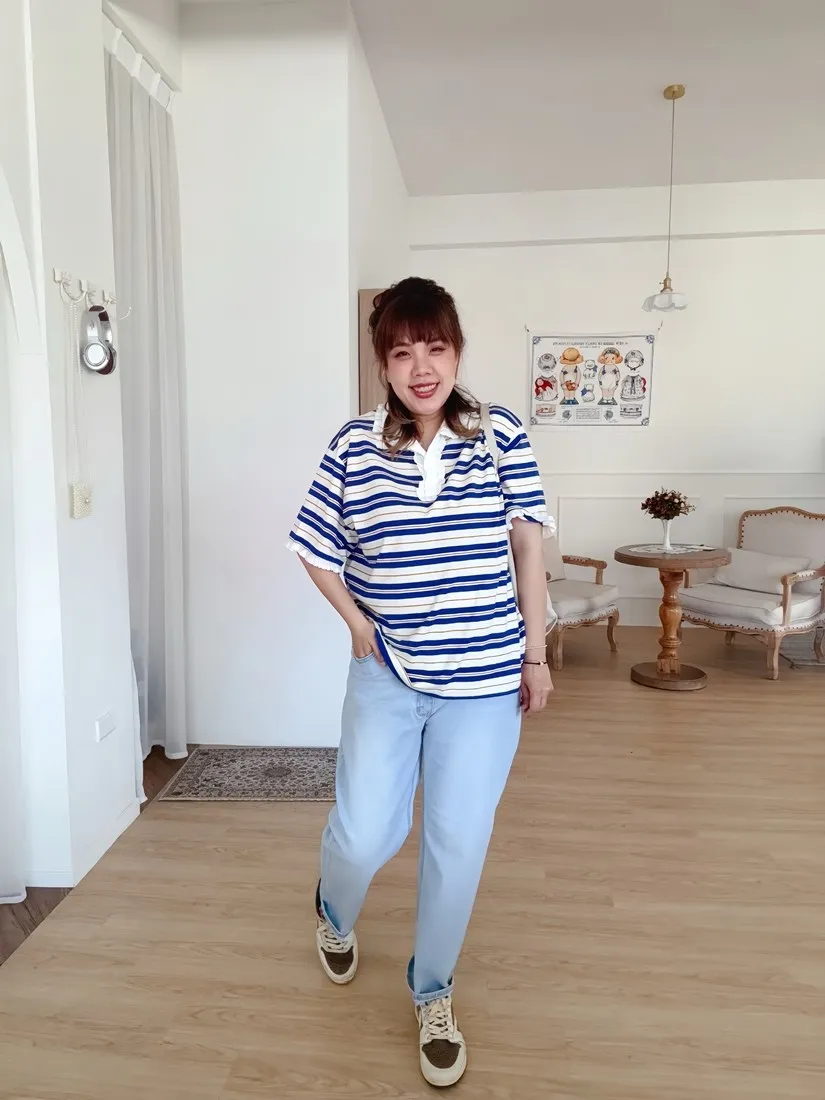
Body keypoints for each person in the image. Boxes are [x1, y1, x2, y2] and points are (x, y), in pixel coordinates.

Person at [287, 277, 554, 1087]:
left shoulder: (499, 434)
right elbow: (313, 546)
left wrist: (535, 653)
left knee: (457, 843)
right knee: (365, 833)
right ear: (383, 365)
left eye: (435, 348)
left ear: (457, 351)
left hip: (485, 681)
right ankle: (333, 908)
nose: (421, 368)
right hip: (389, 674)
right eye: (402, 353)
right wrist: (355, 624)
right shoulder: (352, 445)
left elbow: (528, 546)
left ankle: (431, 989)